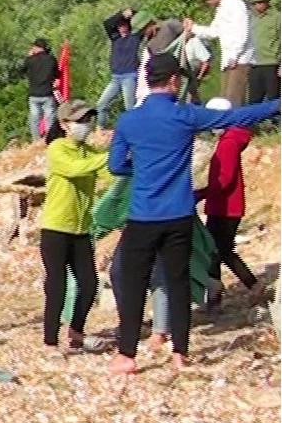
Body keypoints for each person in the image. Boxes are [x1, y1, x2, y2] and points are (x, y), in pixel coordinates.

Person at [107, 52, 279, 373]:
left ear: (147, 81)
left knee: (133, 281)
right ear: (173, 80)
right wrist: (275, 104)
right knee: (177, 281)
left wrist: (142, 168)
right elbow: (235, 118)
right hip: (179, 215)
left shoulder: (129, 121)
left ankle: (127, 355)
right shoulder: (185, 116)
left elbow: (116, 165)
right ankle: (179, 353)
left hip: (143, 215)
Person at [39, 101, 113, 353]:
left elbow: (109, 174)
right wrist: (107, 158)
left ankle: (76, 331)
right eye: (79, 121)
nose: (85, 126)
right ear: (64, 124)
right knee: (56, 285)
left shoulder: (88, 151)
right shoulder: (57, 148)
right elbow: (73, 169)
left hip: (81, 229)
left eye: (87, 120)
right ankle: (50, 341)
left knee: (90, 283)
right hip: (56, 228)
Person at [196, 99, 263, 298]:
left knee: (219, 251)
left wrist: (201, 194)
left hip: (224, 206)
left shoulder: (228, 144)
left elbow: (224, 180)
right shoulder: (232, 140)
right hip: (226, 205)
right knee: (216, 252)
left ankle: (250, 286)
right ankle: (216, 295)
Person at [187, 0, 254, 106]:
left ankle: (236, 125)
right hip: (229, 60)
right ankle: (227, 124)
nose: (207, 4)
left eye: (206, 0)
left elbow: (241, 32)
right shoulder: (221, 9)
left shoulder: (234, 4)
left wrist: (234, 55)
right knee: (225, 98)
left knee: (234, 98)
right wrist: (193, 28)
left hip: (239, 59)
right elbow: (213, 32)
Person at [100, 7, 142, 124]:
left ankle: (134, 131)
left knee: (130, 108)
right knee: (101, 105)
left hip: (130, 76)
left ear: (129, 25)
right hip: (115, 77)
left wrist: (131, 13)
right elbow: (107, 23)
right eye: (119, 25)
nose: (121, 27)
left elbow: (141, 16)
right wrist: (121, 15)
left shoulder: (135, 37)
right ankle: (100, 130)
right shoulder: (115, 38)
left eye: (124, 25)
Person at [23, 37, 62, 140]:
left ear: (36, 47)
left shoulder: (30, 60)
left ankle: (36, 141)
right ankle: (50, 140)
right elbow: (58, 74)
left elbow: (21, 71)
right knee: (50, 118)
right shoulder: (51, 59)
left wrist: (29, 57)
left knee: (35, 119)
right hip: (47, 93)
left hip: (34, 94)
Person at [250, 0, 278, 105]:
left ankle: (274, 121)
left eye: (261, 2)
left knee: (273, 96)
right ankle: (254, 121)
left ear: (267, 3)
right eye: (255, 3)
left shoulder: (277, 18)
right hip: (254, 63)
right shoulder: (251, 19)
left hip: (271, 62)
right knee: (254, 98)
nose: (258, 5)